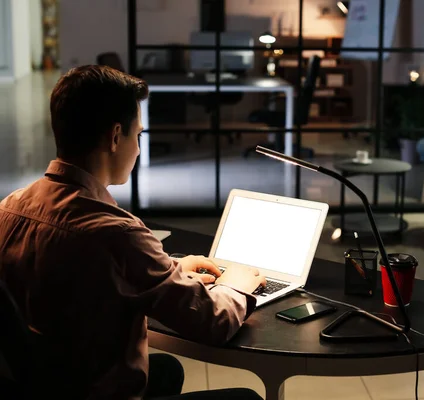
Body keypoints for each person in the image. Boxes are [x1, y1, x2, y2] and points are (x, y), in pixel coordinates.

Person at [0, 65, 266, 400]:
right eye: (137, 134)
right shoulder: (117, 233)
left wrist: (171, 269)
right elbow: (212, 322)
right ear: (115, 137)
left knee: (168, 369)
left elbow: (78, 272)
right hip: (96, 390)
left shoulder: (9, 208)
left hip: (46, 382)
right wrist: (235, 284)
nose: (138, 148)